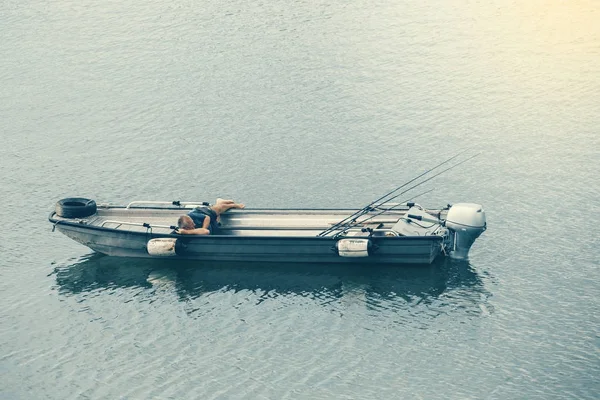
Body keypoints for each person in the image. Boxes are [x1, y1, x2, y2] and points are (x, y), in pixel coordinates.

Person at [176, 198, 245, 235]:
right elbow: (205, 232)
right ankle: (219, 201)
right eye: (192, 224)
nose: (194, 224)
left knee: (219, 209)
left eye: (193, 222)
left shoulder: (192, 215)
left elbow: (207, 218)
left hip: (205, 212)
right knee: (218, 216)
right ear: (186, 227)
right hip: (212, 223)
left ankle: (233, 205)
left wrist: (203, 228)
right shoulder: (183, 229)